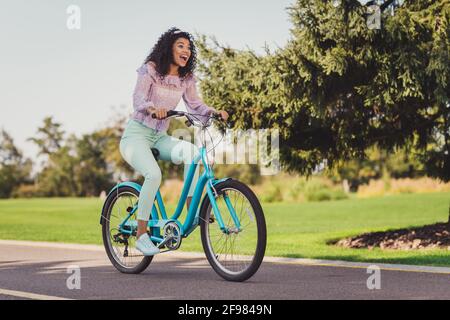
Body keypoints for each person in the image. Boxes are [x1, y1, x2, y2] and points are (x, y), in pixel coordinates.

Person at [119, 27, 229, 256]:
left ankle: (192, 208)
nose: (186, 51)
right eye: (181, 45)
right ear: (168, 48)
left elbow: (195, 105)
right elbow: (138, 98)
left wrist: (213, 112)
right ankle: (141, 235)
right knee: (154, 175)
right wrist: (152, 108)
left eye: (189, 48)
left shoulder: (185, 79)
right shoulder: (150, 70)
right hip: (136, 135)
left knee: (195, 154)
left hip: (160, 137)